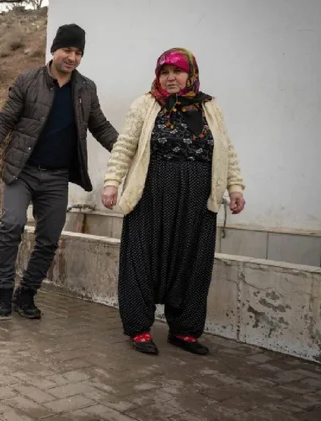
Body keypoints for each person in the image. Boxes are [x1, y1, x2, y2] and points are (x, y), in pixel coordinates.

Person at [102, 48, 245, 355]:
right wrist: (112, 183)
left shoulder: (210, 108)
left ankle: (185, 330)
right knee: (142, 256)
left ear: (190, 74)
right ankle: (139, 327)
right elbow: (125, 145)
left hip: (198, 196)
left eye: (177, 72)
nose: (170, 79)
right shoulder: (145, 104)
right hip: (152, 192)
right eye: (164, 73)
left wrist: (235, 187)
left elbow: (226, 150)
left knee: (192, 262)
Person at [0, 24, 118, 319]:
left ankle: (26, 294)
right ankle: (2, 291)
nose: (72, 57)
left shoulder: (86, 89)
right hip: (20, 171)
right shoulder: (28, 80)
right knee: (11, 225)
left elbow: (100, 126)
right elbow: (4, 120)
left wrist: (127, 152)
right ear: (54, 49)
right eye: (67, 50)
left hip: (56, 176)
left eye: (78, 53)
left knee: (49, 237)